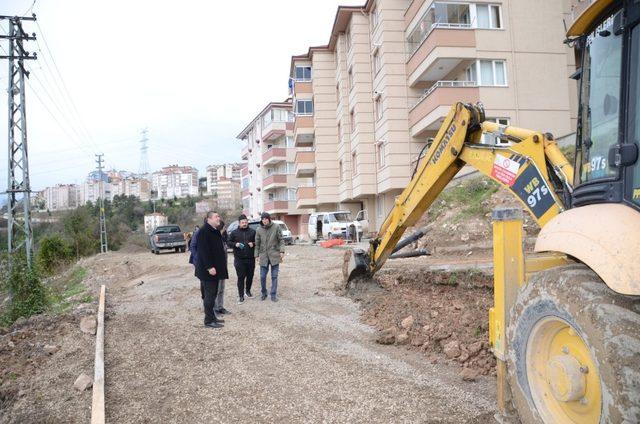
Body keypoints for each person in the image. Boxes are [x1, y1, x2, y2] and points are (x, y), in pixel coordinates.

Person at [194, 211, 229, 328]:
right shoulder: (204, 231)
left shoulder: (214, 230)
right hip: (208, 271)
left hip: (215, 270)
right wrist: (209, 267)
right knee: (209, 296)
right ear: (209, 219)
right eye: (216, 217)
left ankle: (213, 317)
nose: (219, 218)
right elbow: (203, 251)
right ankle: (208, 321)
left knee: (213, 294)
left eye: (219, 216)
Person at [255, 212, 285, 302]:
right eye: (262, 219)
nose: (264, 221)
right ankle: (264, 293)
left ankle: (273, 294)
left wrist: (282, 250)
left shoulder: (276, 227)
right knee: (262, 276)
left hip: (274, 255)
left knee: (274, 276)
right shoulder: (259, 230)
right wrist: (256, 255)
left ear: (269, 219)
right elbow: (257, 244)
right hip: (264, 256)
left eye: (266, 219)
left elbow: (281, 240)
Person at [227, 214, 256, 304]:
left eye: (245, 222)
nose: (244, 224)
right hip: (239, 259)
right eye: (242, 222)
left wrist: (253, 244)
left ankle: (247, 291)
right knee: (241, 277)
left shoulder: (252, 232)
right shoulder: (234, 232)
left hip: (251, 259)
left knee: (250, 276)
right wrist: (235, 244)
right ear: (239, 223)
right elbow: (228, 242)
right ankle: (241, 296)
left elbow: (258, 242)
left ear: (247, 222)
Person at [214, 220, 231, 316]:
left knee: (221, 289)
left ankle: (220, 307)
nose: (225, 230)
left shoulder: (223, 238)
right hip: (216, 268)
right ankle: (215, 309)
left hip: (223, 267)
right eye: (224, 228)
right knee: (215, 289)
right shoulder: (214, 239)